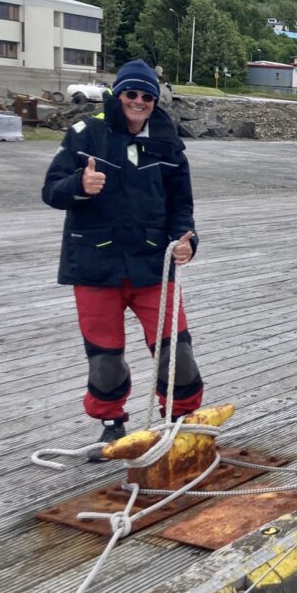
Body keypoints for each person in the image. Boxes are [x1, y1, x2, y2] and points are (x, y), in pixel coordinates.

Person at [43, 59, 204, 461]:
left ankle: (181, 421)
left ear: (154, 100)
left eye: (147, 96)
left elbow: (181, 208)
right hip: (96, 267)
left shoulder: (169, 143)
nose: (139, 101)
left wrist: (187, 241)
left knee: (176, 353)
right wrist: (78, 185)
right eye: (131, 93)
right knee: (105, 357)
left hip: (152, 265)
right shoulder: (85, 134)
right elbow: (51, 191)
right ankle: (111, 423)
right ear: (119, 95)